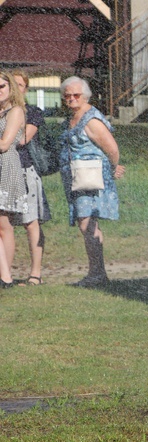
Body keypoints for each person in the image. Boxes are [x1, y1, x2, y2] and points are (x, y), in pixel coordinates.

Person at [59, 76, 125, 287]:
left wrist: (115, 167)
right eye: (67, 95)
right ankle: (97, 273)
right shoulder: (73, 118)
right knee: (85, 224)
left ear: (85, 95)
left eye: (76, 95)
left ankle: (97, 274)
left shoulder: (92, 120)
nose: (71, 99)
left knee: (87, 224)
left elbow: (112, 148)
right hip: (78, 179)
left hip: (90, 178)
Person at [9, 69, 51, 286]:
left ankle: (35, 274)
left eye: (21, 85)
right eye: (12, 84)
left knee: (30, 222)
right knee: (4, 224)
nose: (16, 88)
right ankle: (5, 273)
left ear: (26, 88)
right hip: (3, 171)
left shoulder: (32, 112)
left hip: (25, 170)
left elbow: (23, 139)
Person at [0, 70, 28, 288]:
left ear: (10, 88)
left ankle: (5, 276)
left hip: (5, 165)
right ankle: (5, 275)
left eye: (1, 86)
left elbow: (4, 144)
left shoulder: (15, 111)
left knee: (4, 224)